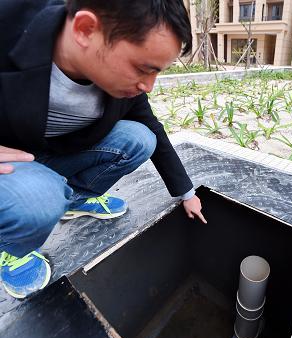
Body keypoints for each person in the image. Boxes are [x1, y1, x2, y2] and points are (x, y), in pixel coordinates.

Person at [0, 0, 206, 299]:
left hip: (55, 153)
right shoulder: (9, 24)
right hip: (12, 164)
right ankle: (13, 248)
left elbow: (155, 130)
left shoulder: (126, 85)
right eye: (143, 68)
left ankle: (72, 200)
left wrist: (187, 193)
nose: (149, 85)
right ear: (85, 29)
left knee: (140, 138)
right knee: (39, 200)